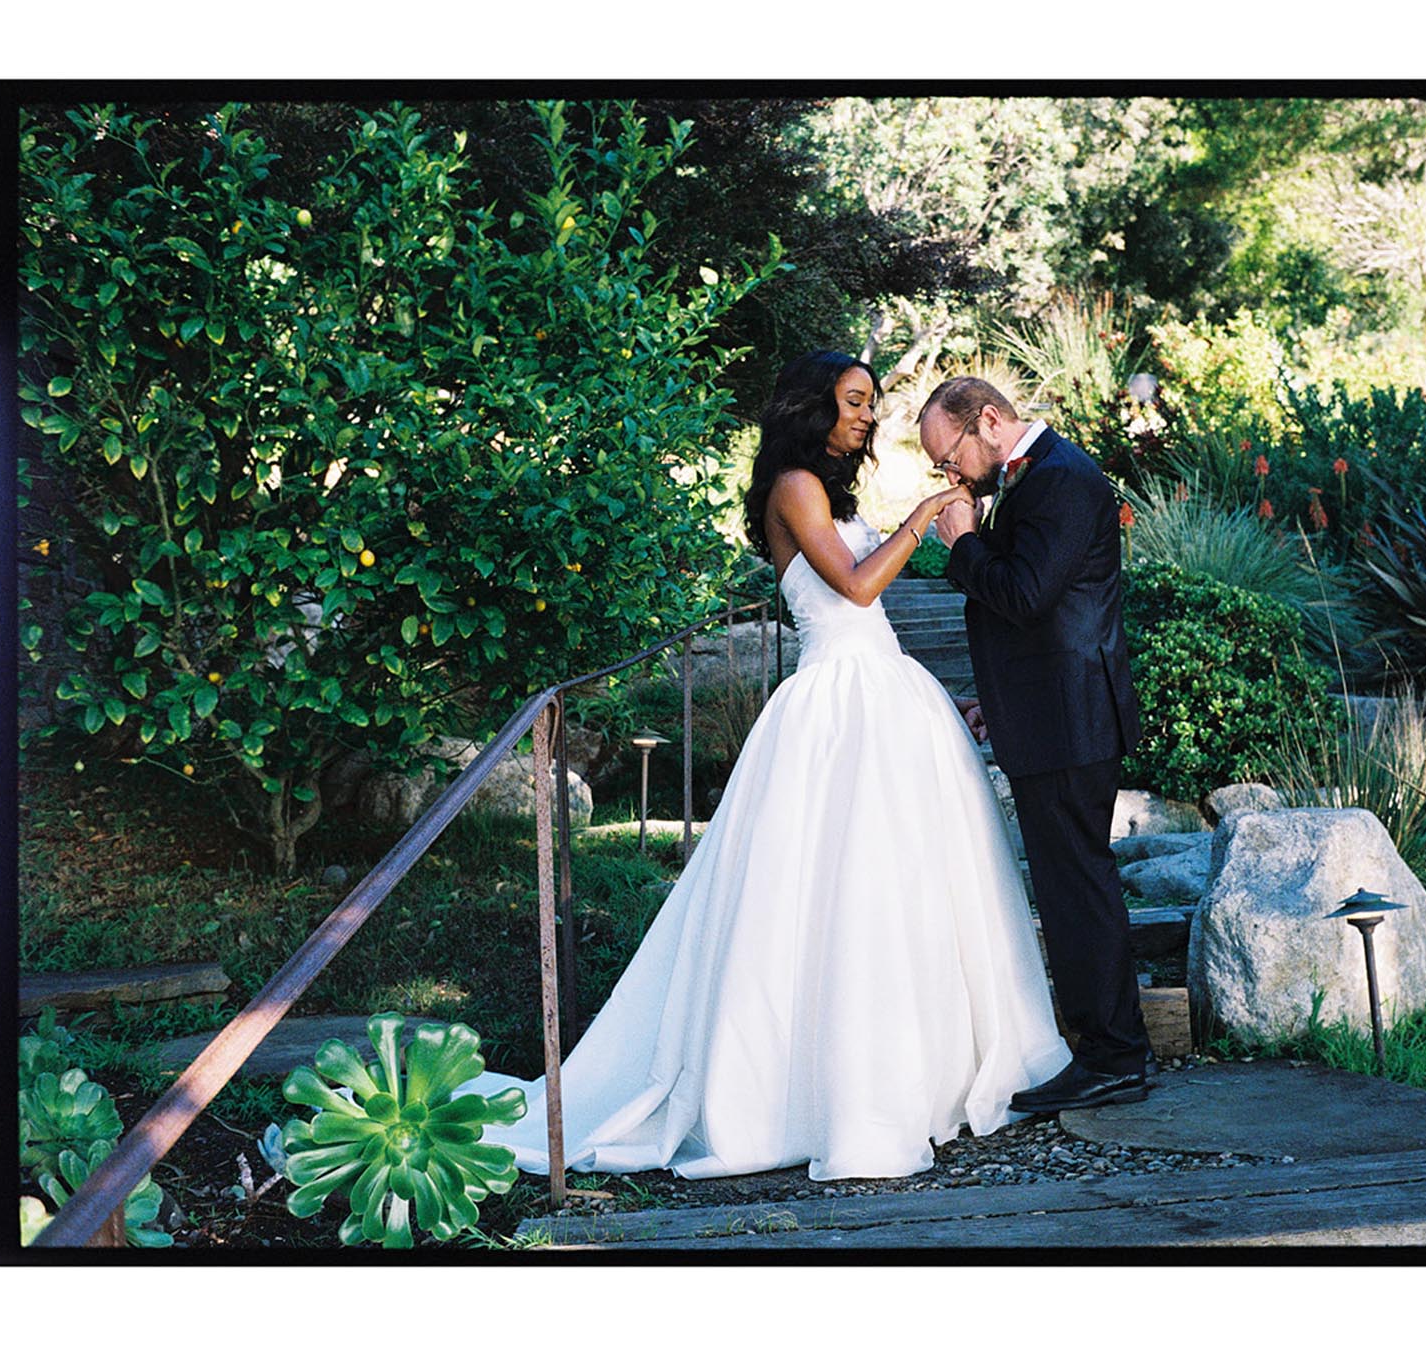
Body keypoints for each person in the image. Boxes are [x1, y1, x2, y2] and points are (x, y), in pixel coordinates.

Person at [459, 351, 1072, 1181]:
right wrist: (926, 515)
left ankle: (928, 1070)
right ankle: (828, 1092)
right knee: (829, 888)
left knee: (906, 885)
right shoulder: (792, 484)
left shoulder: (829, 490)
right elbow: (855, 589)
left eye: (870, 404)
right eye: (855, 403)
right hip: (835, 696)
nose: (867, 417)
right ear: (812, 407)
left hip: (888, 690)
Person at [920, 375, 1152, 1113]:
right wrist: (997, 699)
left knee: (1078, 886)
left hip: (1071, 720)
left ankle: (1115, 1055)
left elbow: (1023, 593)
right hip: (1050, 714)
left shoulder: (1060, 479)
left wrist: (961, 543)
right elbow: (1038, 614)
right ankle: (1109, 1050)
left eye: (948, 457)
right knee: (1070, 884)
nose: (948, 476)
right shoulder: (1037, 480)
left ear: (988, 421)